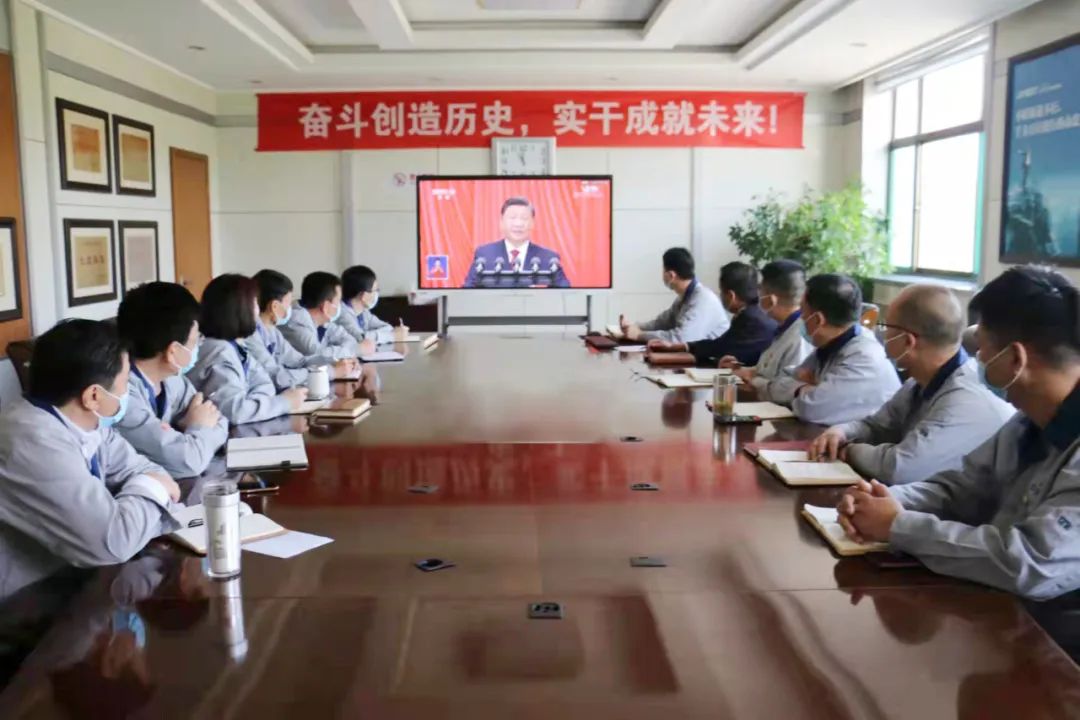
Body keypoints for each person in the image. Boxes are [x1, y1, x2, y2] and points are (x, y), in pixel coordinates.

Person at [836, 266, 1080, 600]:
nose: (977, 358)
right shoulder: (1026, 423)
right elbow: (961, 489)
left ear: (1015, 358)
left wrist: (898, 526)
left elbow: (1031, 563)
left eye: (983, 349)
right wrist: (884, 501)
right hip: (992, 598)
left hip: (1049, 625)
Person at [0, 320, 181, 594]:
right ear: (93, 396)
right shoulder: (32, 441)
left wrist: (144, 491)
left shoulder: (89, 423)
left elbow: (147, 469)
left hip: (74, 578)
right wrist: (152, 489)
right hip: (24, 600)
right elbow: (114, 541)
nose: (126, 394)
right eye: (124, 385)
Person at [810, 284, 1015, 484]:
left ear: (908, 341)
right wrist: (841, 432)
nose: (882, 334)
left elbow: (899, 468)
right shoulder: (918, 382)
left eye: (886, 327)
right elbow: (876, 426)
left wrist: (849, 450)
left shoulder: (965, 398)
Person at [115, 282, 229, 479]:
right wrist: (196, 428)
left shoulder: (172, 379)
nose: (199, 346)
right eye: (195, 341)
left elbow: (219, 420)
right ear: (173, 351)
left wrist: (191, 434)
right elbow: (190, 462)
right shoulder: (121, 396)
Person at [764, 273, 899, 425]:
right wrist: (806, 388)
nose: (800, 318)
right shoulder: (831, 345)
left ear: (817, 320)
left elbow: (811, 409)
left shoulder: (864, 357)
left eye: (803, 311)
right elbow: (779, 379)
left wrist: (798, 389)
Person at [189, 274, 307, 424]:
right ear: (240, 309)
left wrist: (252, 404)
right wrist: (284, 402)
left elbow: (266, 385)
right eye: (255, 304)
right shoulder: (218, 351)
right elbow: (235, 412)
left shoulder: (236, 346)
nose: (258, 311)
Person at [647, 261, 777, 367]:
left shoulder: (751, 320)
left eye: (721, 291)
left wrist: (670, 355)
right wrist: (676, 347)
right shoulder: (750, 313)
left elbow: (720, 350)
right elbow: (718, 344)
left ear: (731, 296)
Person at [245, 270, 357, 391]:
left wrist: (336, 362)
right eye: (288, 303)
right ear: (275, 306)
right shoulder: (251, 335)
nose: (291, 308)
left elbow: (300, 361)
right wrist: (330, 372)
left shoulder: (272, 330)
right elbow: (276, 378)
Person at [732, 259, 812, 391]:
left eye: (761, 293)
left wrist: (753, 380)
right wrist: (742, 370)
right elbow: (768, 371)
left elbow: (788, 389)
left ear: (770, 300)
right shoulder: (784, 329)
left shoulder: (799, 337)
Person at [620, 247, 729, 343]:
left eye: (663, 270)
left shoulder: (703, 299)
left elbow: (681, 338)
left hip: (715, 359)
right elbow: (661, 323)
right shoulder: (685, 296)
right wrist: (634, 327)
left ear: (671, 275)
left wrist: (639, 335)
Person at [463, 197, 570, 288]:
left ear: (532, 223)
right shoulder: (485, 255)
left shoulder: (549, 258)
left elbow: (564, 295)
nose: (518, 224)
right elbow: (467, 293)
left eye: (524, 218)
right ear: (501, 222)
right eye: (512, 218)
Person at [280, 271, 360, 361]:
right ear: (326, 306)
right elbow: (316, 355)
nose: (340, 306)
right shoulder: (296, 321)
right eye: (338, 301)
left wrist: (349, 351)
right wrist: (352, 351)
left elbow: (349, 340)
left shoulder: (323, 320)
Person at [337, 265, 409, 347]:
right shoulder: (342, 314)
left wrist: (390, 334)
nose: (377, 294)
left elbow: (387, 327)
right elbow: (361, 339)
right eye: (376, 290)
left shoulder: (363, 312)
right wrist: (393, 336)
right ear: (363, 295)